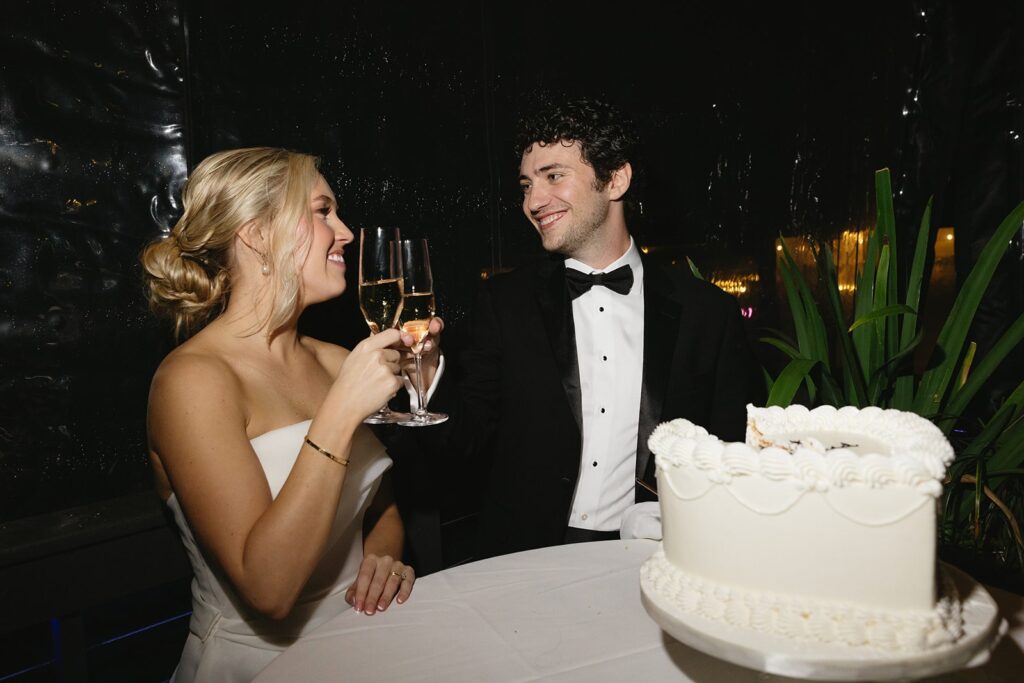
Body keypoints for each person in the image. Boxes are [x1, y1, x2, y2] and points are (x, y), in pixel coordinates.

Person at [427, 96, 763, 559]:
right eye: (526, 185)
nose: (532, 201)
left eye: (553, 176)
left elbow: (731, 456)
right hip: (525, 560)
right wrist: (425, 374)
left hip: (655, 561)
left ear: (615, 180)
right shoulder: (504, 304)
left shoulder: (707, 314)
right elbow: (463, 446)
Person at [141, 147, 416, 683]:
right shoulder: (192, 382)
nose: (346, 232)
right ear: (257, 234)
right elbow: (268, 589)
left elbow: (377, 503)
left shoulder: (335, 360)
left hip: (363, 645)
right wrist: (339, 412)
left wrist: (384, 556)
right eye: (321, 211)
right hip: (258, 666)